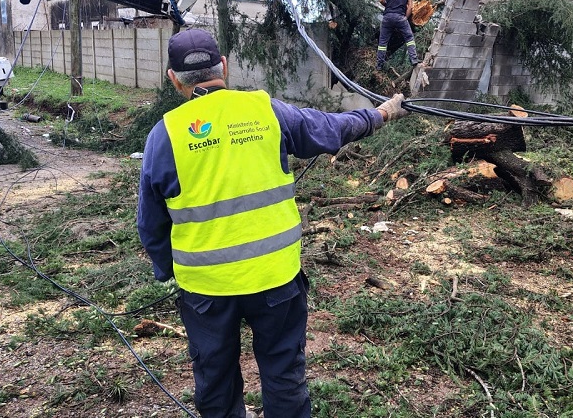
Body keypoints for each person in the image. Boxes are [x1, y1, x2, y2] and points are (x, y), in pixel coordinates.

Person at [136, 28, 408, 418]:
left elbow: (150, 224)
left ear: (173, 79)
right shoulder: (267, 111)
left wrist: (167, 269)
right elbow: (332, 128)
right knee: (283, 376)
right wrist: (381, 113)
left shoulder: (165, 136)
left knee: (215, 382)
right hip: (276, 280)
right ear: (224, 67)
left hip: (206, 291)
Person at [376, 0, 420, 70]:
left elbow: (381, 0)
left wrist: (389, 6)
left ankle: (379, 65)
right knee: (409, 38)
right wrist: (405, 17)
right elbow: (410, 7)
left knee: (383, 42)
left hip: (387, 17)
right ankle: (413, 59)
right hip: (400, 18)